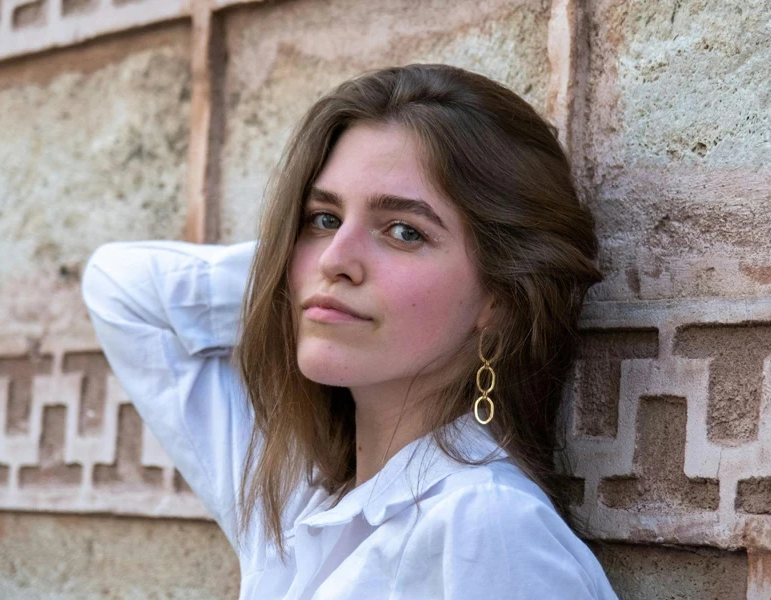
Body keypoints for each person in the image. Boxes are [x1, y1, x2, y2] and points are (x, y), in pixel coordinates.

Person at [81, 64, 619, 599]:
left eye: (405, 231)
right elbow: (120, 287)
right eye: (323, 219)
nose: (335, 260)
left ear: (499, 300)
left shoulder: (485, 525)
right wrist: (285, 281)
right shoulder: (296, 503)